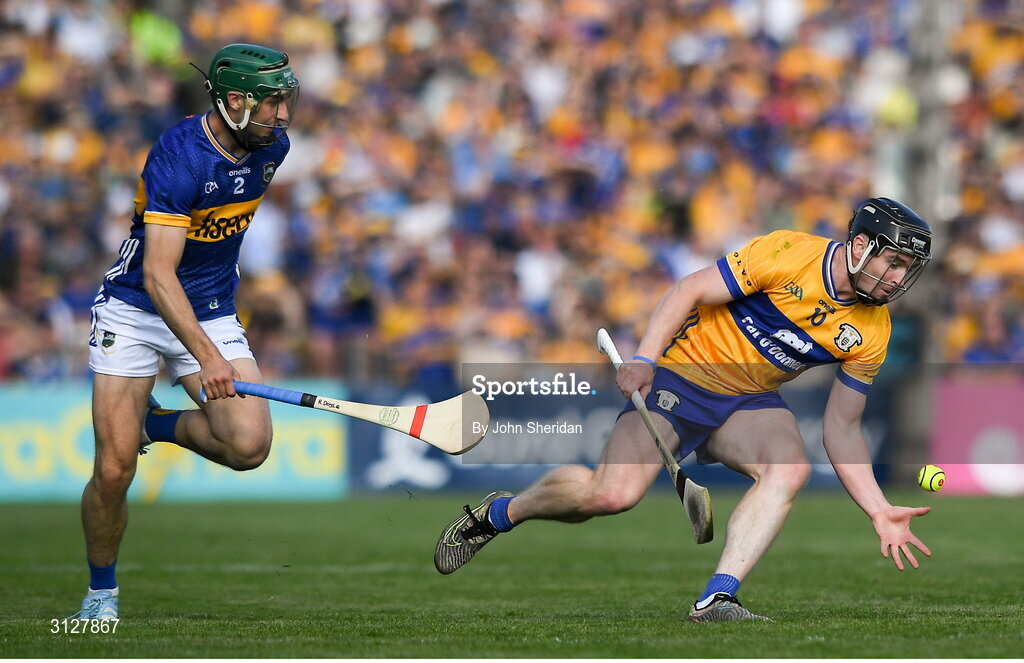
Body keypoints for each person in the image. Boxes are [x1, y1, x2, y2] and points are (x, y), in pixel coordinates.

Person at [434, 197, 934, 622]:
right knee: (609, 495)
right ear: (861, 245)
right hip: (681, 374)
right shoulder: (788, 253)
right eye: (893, 262)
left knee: (789, 468)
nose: (897, 279)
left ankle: (719, 596)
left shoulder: (874, 330)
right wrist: (645, 360)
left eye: (906, 269)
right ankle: (498, 514)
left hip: (749, 400)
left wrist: (878, 509)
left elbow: (842, 428)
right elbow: (689, 288)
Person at [75, 44, 299, 621]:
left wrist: (208, 345)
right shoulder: (178, 156)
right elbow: (158, 273)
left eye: (285, 101)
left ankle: (154, 423)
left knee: (248, 446)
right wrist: (208, 358)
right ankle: (101, 595)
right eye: (271, 102)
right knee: (114, 470)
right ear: (233, 102)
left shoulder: (272, 147)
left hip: (212, 308)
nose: (282, 115)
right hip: (135, 307)